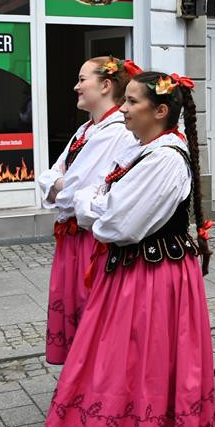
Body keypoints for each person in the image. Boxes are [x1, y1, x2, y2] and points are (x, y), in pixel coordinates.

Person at [36, 71, 215, 427]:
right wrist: (95, 201)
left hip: (154, 281)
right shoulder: (141, 150)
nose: (126, 109)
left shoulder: (166, 158)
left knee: (134, 370)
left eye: (133, 102)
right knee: (128, 369)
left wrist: (86, 202)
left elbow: (120, 223)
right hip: (134, 277)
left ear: (160, 111)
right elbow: (103, 199)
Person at [36, 56, 139, 366]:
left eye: (83, 79)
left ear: (106, 85)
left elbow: (76, 193)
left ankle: (89, 380)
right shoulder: (85, 129)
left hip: (91, 241)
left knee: (91, 310)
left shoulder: (115, 132)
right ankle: (79, 380)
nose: (76, 86)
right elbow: (49, 177)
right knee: (74, 308)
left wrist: (60, 185)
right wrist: (60, 184)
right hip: (72, 239)